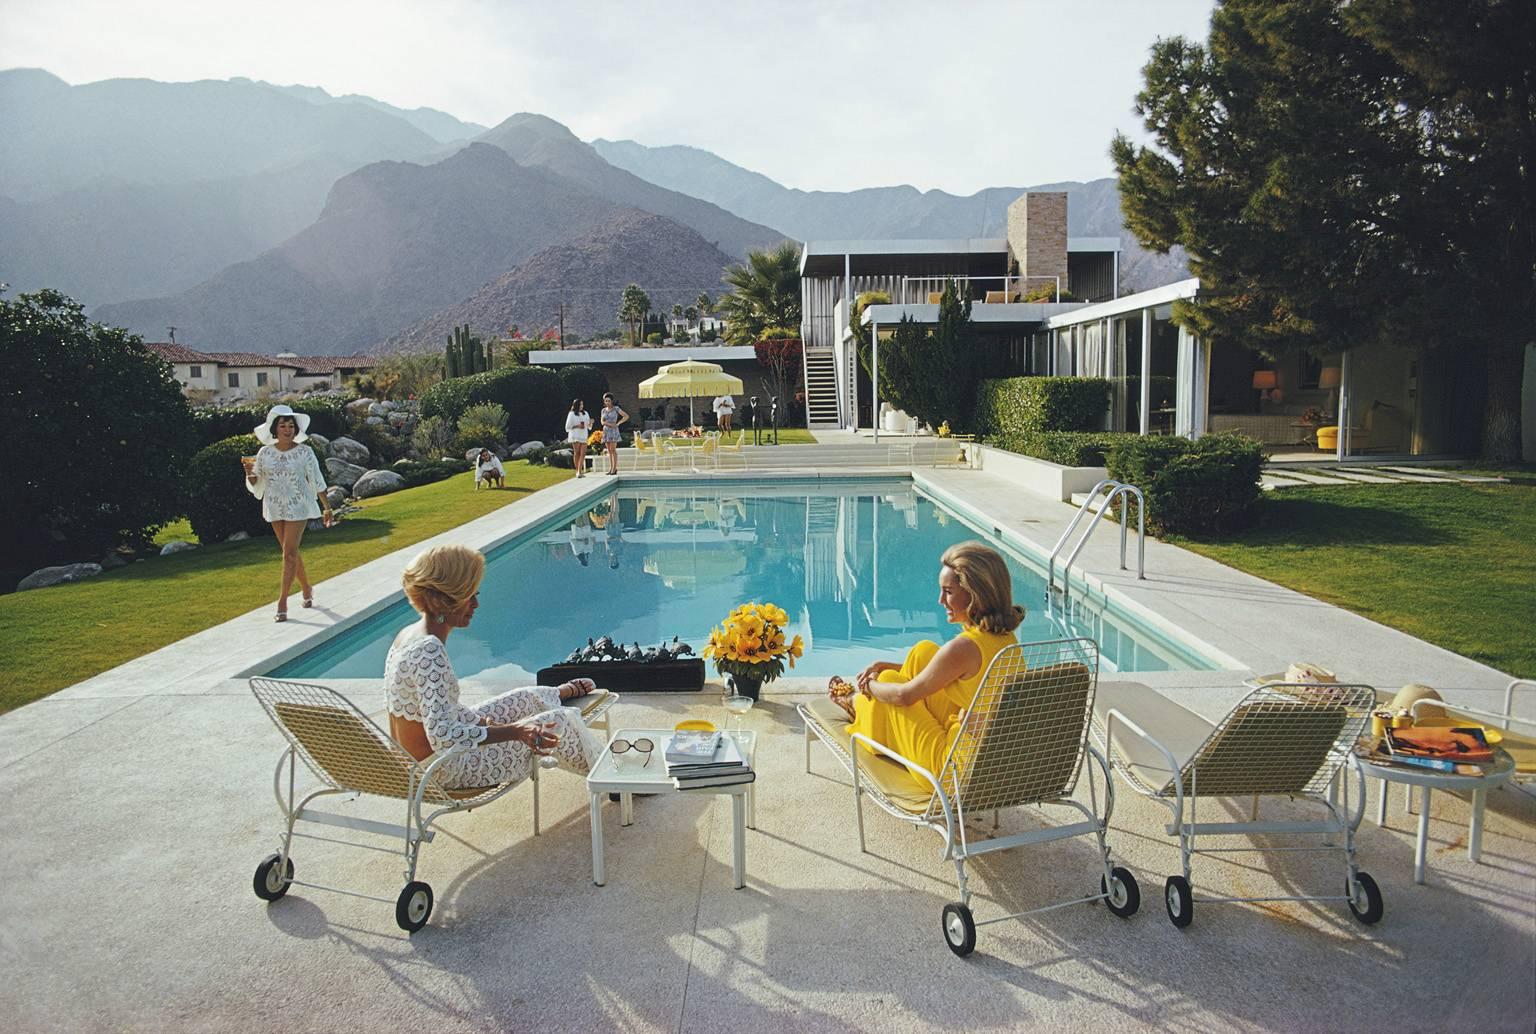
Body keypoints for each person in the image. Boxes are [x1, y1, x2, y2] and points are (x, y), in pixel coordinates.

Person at [383, 544, 604, 787]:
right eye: (470, 595)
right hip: (443, 770)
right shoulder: (429, 650)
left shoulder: (408, 635)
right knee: (561, 721)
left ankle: (558, 693)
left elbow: (439, 712)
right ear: (447, 599)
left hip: (421, 762)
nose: (476, 604)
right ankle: (613, 777)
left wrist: (487, 724)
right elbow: (442, 734)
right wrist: (517, 731)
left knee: (523, 697)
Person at [828, 541, 1024, 778]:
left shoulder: (964, 648)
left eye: (949, 592)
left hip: (950, 770)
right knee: (923, 653)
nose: (940, 600)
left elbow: (904, 696)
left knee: (890, 682)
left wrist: (869, 685)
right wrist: (885, 665)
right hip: (985, 757)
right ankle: (868, 708)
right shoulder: (1004, 639)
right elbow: (943, 671)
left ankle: (857, 703)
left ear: (975, 595)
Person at [245, 404, 333, 622]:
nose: (287, 429)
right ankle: (306, 588)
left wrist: (327, 507)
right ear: (275, 429)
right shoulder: (264, 453)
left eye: (291, 425)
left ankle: (282, 601)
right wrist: (250, 474)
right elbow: (258, 482)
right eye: (283, 425)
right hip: (274, 505)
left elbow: (317, 480)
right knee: (290, 552)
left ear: (296, 429)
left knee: (289, 553)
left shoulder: (305, 452)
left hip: (298, 504)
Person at [599, 393, 629, 475]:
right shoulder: (603, 410)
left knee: (613, 450)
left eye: (608, 401)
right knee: (609, 450)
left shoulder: (616, 409)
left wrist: (618, 423)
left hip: (613, 431)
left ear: (612, 401)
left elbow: (626, 416)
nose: (607, 402)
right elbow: (602, 421)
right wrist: (608, 424)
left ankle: (614, 468)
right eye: (606, 401)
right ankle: (611, 468)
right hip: (606, 430)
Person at [565, 399, 592, 478]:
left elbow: (589, 426)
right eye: (580, 405)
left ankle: (580, 470)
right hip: (575, 435)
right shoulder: (572, 414)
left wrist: (590, 423)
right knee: (577, 453)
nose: (581, 406)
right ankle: (578, 471)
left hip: (583, 435)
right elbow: (567, 427)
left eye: (582, 404)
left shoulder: (586, 413)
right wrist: (577, 426)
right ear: (576, 405)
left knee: (583, 453)